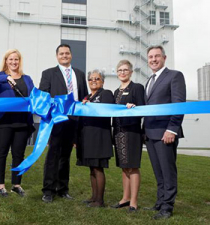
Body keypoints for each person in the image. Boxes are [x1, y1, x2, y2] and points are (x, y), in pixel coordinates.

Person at [39, 44, 88, 203]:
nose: (65, 56)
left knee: (65, 156)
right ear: (57, 56)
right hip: (55, 119)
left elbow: (84, 97)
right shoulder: (48, 74)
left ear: (71, 55)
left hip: (73, 120)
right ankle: (48, 190)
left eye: (67, 53)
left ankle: (62, 189)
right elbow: (43, 96)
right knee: (53, 154)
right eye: (61, 53)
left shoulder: (79, 74)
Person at [0, 49, 35, 197]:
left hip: (22, 122)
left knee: (18, 154)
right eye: (10, 59)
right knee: (1, 153)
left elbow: (33, 95)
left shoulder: (27, 78)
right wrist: (6, 78)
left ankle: (16, 184)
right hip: (2, 122)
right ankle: (0, 185)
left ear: (20, 61)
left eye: (16, 59)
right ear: (6, 61)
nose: (13, 62)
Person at [144, 45, 186, 219]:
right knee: (158, 171)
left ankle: (167, 207)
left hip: (165, 133)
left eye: (157, 56)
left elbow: (178, 105)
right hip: (150, 133)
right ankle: (160, 201)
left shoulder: (174, 76)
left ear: (164, 58)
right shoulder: (149, 80)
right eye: (151, 57)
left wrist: (171, 129)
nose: (153, 59)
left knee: (167, 171)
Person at [76, 69, 114, 207]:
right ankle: (94, 197)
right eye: (91, 79)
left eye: (97, 79)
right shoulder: (86, 97)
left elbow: (105, 111)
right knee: (91, 168)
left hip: (99, 137)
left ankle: (100, 200)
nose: (93, 81)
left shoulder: (106, 94)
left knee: (98, 168)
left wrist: (90, 107)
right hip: (86, 138)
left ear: (102, 81)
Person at [111, 60, 145, 212]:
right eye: (120, 70)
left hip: (131, 132)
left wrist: (134, 108)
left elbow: (142, 108)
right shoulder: (115, 92)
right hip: (118, 132)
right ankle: (125, 198)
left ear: (131, 72)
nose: (122, 72)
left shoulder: (137, 88)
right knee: (124, 167)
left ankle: (134, 201)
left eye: (125, 70)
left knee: (133, 166)